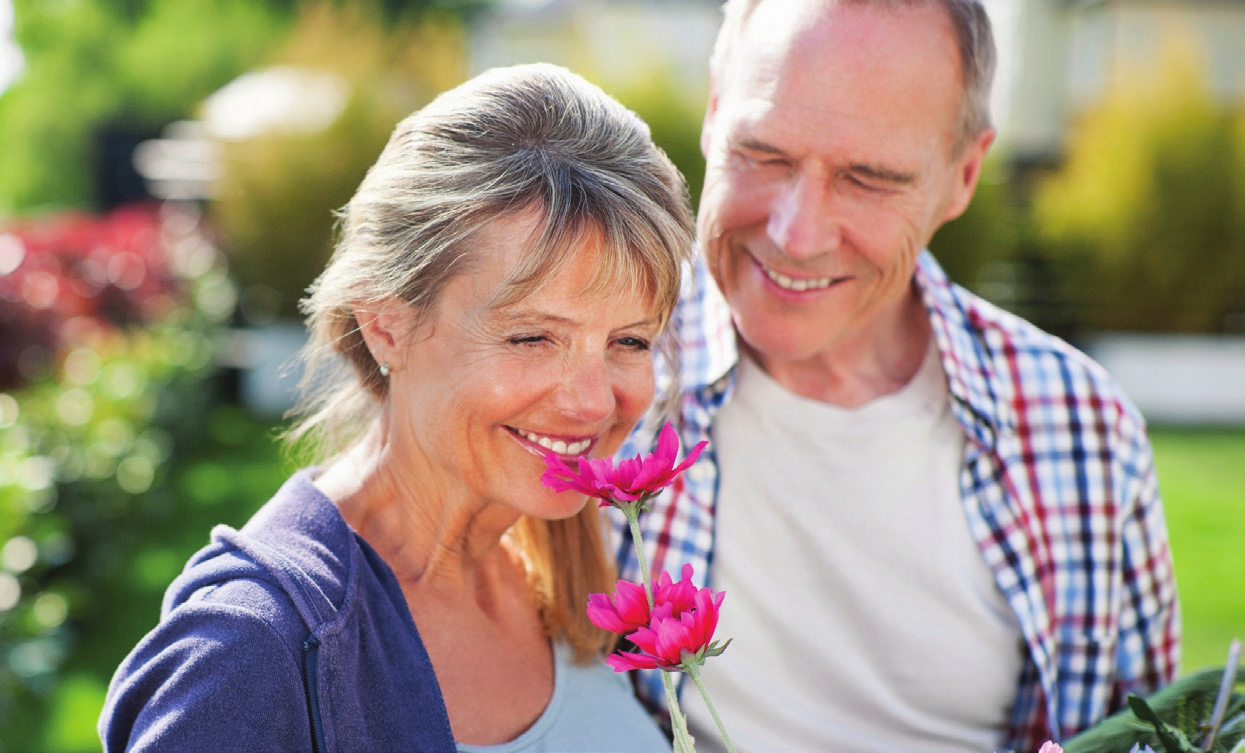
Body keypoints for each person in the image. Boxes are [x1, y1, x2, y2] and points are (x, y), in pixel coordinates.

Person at [613, 2, 1180, 752]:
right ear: (714, 116)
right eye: (765, 154)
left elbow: (1154, 734)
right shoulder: (591, 376)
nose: (796, 234)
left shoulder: (1080, 428)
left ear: (962, 176)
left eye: (867, 178)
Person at [99, 63, 695, 753]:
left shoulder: (575, 575)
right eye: (532, 336)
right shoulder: (250, 650)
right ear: (386, 323)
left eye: (629, 340)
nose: (593, 400)